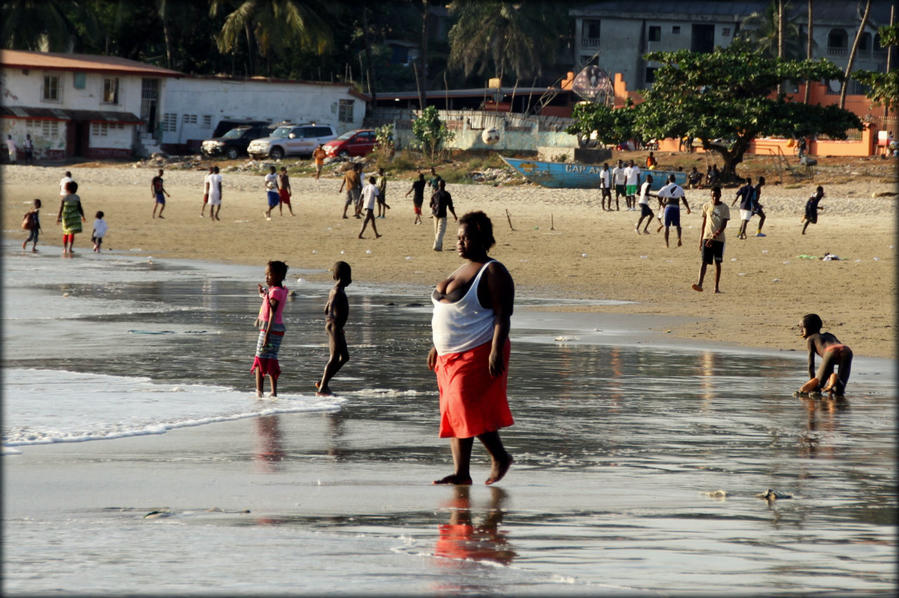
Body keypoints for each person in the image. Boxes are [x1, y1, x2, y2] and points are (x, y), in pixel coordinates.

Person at [428, 211, 515, 485]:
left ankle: (500, 456)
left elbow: (503, 315)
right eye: (458, 238)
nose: (459, 243)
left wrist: (495, 351)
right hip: (447, 355)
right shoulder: (459, 269)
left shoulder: (493, 271)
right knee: (453, 410)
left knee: (463, 406)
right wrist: (436, 345)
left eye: (466, 238)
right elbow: (449, 310)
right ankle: (462, 473)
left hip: (478, 349)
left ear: (481, 238)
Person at [252, 260, 289, 398]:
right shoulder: (281, 290)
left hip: (270, 330)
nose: (266, 277)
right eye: (266, 275)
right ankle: (273, 392)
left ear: (279, 276)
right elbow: (271, 299)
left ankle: (259, 392)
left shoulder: (275, 293)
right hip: (277, 330)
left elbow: (272, 312)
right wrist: (263, 294)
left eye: (269, 275)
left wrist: (267, 335)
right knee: (271, 358)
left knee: (260, 360)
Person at [315, 261, 351, 396]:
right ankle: (323, 387)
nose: (351, 280)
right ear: (343, 276)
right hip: (334, 326)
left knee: (345, 357)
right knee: (335, 357)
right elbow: (329, 309)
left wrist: (338, 325)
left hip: (336, 326)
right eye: (349, 276)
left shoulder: (337, 290)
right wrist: (336, 324)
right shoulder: (336, 291)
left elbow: (325, 309)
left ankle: (323, 381)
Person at [797, 313, 853, 396]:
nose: (801, 331)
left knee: (817, 388)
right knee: (840, 388)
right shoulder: (830, 335)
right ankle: (837, 392)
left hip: (830, 351)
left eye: (802, 328)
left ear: (809, 328)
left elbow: (811, 364)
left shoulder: (811, 339)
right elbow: (830, 367)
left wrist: (813, 382)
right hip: (846, 350)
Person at [692, 186, 729, 294]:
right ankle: (700, 283)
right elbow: (704, 223)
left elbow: (723, 224)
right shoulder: (706, 206)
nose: (715, 197)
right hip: (706, 237)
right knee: (704, 262)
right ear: (711, 195)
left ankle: (716, 287)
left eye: (717, 195)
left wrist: (715, 236)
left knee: (717, 262)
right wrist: (701, 239)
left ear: (720, 195)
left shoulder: (724, 208)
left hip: (719, 239)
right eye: (713, 195)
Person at [657, 174, 691, 247]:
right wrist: (688, 208)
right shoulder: (679, 188)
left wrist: (662, 203)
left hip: (668, 207)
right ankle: (679, 238)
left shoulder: (665, 187)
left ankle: (667, 244)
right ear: (675, 180)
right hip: (676, 207)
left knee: (667, 226)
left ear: (669, 180)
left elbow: (658, 195)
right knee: (678, 225)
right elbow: (684, 199)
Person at [57, 180, 85, 256]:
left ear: (66, 189)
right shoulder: (77, 197)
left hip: (66, 217)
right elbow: (80, 207)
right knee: (72, 233)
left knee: (65, 233)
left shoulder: (65, 197)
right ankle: (70, 248)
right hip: (74, 217)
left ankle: (65, 248)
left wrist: (58, 217)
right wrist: (82, 216)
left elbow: (61, 208)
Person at [430, 179, 457, 251]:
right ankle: (436, 246)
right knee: (440, 231)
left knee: (437, 232)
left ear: (438, 185)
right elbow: (450, 206)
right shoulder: (447, 194)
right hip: (442, 214)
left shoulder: (434, 194)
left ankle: (439, 246)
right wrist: (454, 215)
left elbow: (430, 204)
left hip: (435, 214)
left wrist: (433, 206)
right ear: (444, 185)